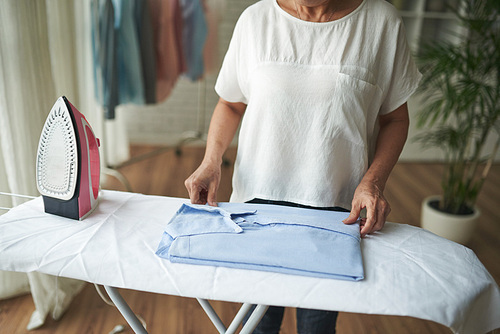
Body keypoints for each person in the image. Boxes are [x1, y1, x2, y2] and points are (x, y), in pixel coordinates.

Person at [185, 0, 421, 332]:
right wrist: (211, 161)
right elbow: (230, 103)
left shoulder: (380, 23)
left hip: (334, 211)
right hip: (257, 205)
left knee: (317, 326)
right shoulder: (256, 20)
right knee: (260, 325)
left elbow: (395, 119)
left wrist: (373, 182)